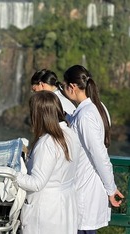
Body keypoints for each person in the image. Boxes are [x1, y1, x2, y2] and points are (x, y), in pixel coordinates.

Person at [63, 64, 124, 233]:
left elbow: (99, 155)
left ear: (73, 86)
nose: (63, 89)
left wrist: (111, 189)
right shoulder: (95, 108)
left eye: (63, 85)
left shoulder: (85, 116)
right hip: (86, 187)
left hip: (85, 189)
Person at [16, 90, 82, 234]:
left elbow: (36, 183)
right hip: (66, 205)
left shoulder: (47, 143)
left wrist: (11, 174)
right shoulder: (71, 135)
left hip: (46, 211)